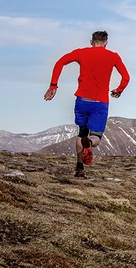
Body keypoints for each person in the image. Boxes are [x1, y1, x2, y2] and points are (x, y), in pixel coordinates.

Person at [44, 31, 130, 178]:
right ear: (106, 43)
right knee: (95, 137)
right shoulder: (113, 56)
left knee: (81, 132)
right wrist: (118, 90)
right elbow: (126, 77)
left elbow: (60, 63)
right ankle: (89, 143)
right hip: (100, 102)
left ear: (91, 41)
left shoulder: (80, 53)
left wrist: (53, 86)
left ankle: (79, 168)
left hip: (82, 100)